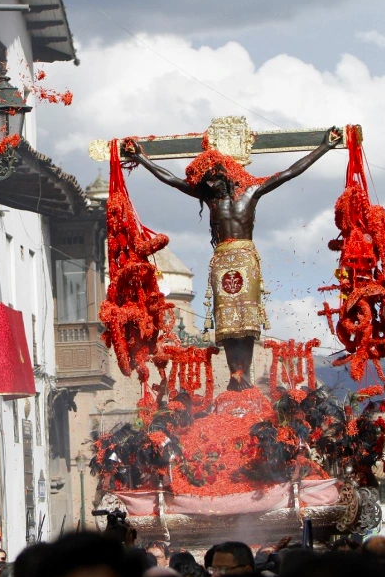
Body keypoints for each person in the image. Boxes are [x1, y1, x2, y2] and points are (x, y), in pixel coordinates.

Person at [127, 127, 342, 390]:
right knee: (226, 321)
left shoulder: (252, 191)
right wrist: (141, 159)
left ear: (226, 173)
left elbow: (290, 172)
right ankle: (234, 375)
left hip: (244, 258)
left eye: (212, 178)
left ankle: (246, 376)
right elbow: (172, 180)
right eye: (206, 179)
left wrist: (324, 147)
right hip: (222, 260)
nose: (208, 183)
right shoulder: (209, 195)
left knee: (246, 320)